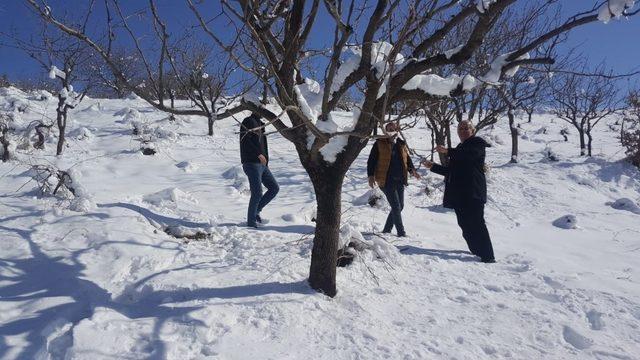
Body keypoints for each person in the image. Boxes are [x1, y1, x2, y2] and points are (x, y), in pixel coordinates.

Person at [421, 120, 495, 263]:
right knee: (465, 224)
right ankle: (476, 251)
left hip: (473, 192)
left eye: (466, 128)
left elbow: (469, 155)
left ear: (472, 130)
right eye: (460, 129)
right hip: (460, 194)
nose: (462, 131)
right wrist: (433, 166)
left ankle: (488, 256)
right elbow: (452, 171)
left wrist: (448, 151)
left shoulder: (477, 143)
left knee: (477, 223)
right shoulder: (460, 148)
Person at [367, 122, 421, 237]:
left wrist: (412, 171)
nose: (391, 131)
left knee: (400, 206)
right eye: (388, 129)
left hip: (400, 179)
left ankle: (387, 229)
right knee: (396, 206)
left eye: (393, 128)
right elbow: (371, 160)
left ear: (397, 130)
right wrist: (371, 176)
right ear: (385, 131)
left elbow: (407, 160)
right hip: (385, 180)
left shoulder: (401, 144)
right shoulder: (379, 143)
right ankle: (401, 233)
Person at [240, 113, 279, 228]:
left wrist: (266, 162)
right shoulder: (248, 121)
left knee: (274, 188)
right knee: (257, 193)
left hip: (262, 165)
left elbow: (263, 145)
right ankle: (251, 223)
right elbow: (245, 141)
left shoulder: (261, 124)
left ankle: (256, 211)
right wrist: (258, 154)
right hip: (251, 162)